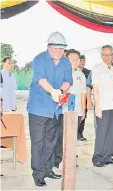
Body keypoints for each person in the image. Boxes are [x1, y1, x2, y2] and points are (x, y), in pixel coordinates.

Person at [27, 32, 72, 186]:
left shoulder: (66, 62)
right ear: (48, 47)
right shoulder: (39, 60)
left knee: (51, 141)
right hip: (38, 108)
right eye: (55, 49)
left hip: (55, 109)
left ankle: (48, 169)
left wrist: (60, 90)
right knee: (38, 142)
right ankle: (38, 173)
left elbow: (68, 81)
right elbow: (41, 80)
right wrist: (53, 91)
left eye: (61, 49)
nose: (58, 52)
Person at [91, 45, 113, 167]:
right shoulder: (97, 69)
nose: (107, 57)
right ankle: (97, 157)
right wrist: (97, 106)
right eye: (104, 55)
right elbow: (95, 89)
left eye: (109, 54)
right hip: (103, 105)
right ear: (101, 56)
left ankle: (108, 156)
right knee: (102, 132)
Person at [54, 49, 87, 168]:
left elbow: (83, 93)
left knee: (73, 137)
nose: (75, 61)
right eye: (72, 59)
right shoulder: (60, 73)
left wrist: (83, 110)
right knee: (61, 137)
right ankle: (58, 161)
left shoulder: (81, 75)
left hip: (76, 111)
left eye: (77, 59)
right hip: (63, 111)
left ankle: (70, 160)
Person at [77, 55, 90, 141]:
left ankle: (79, 133)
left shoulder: (88, 72)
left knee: (83, 115)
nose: (82, 62)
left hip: (84, 97)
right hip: (76, 97)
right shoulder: (74, 72)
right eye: (81, 61)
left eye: (84, 61)